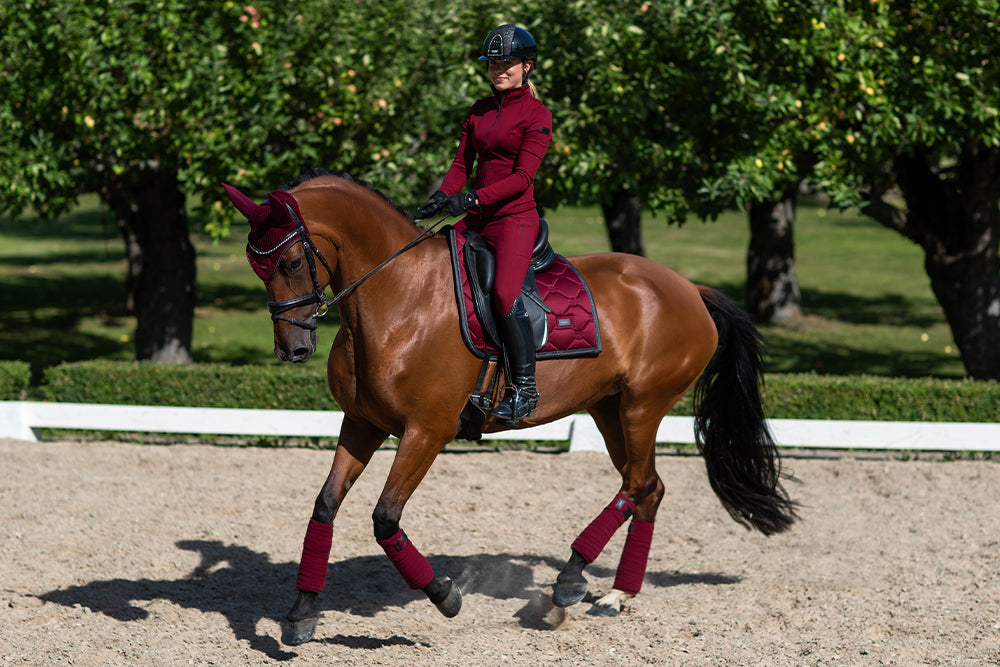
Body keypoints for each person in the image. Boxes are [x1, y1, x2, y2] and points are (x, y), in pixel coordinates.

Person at [417, 23, 552, 425]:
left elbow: (522, 179)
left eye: (507, 63)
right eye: (493, 63)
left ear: (527, 67)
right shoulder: (477, 110)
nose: (499, 70)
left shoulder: (537, 115)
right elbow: (462, 165)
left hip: (513, 221)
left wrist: (472, 198)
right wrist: (443, 195)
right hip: (474, 218)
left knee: (506, 296)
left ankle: (524, 389)